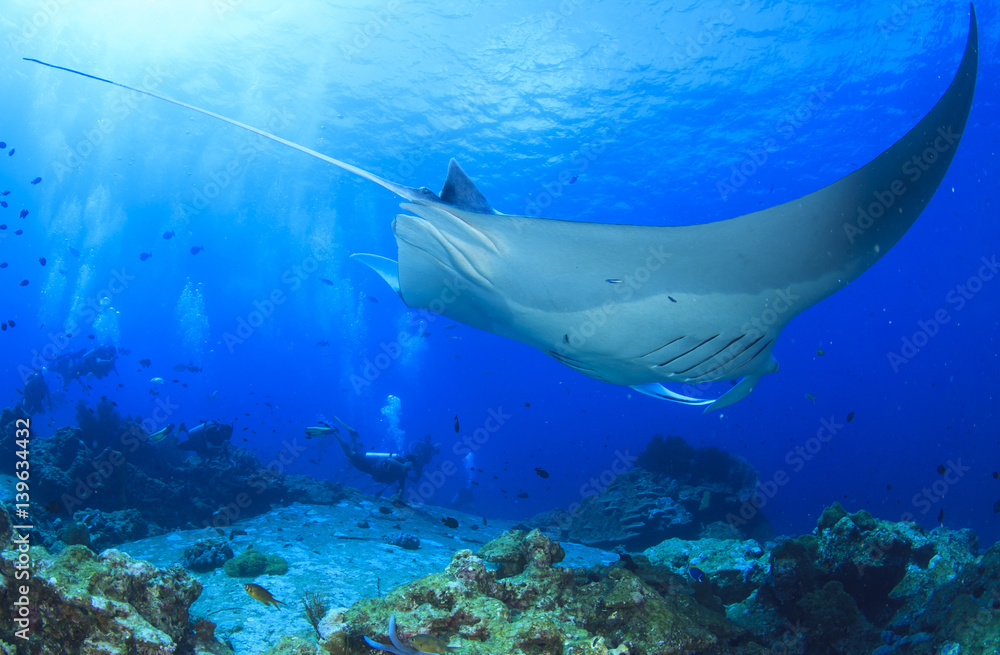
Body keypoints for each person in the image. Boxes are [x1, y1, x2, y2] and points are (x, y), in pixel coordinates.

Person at [306, 417, 413, 497]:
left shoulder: (403, 474)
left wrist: (400, 495)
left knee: (352, 454)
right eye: (410, 465)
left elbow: (401, 488)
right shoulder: (401, 464)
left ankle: (353, 436)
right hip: (372, 464)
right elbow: (389, 460)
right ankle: (335, 432)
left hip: (369, 468)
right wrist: (403, 465)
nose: (409, 468)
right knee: (349, 453)